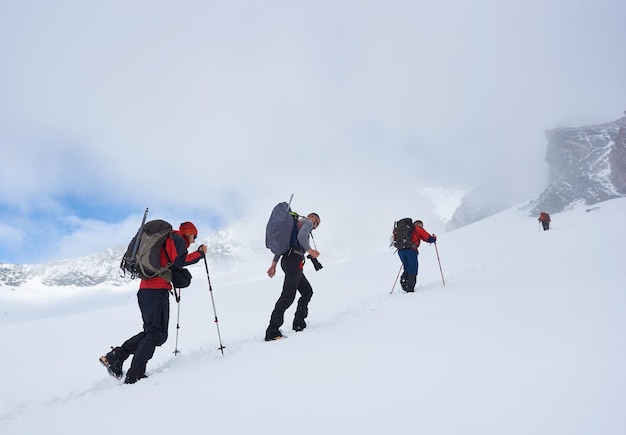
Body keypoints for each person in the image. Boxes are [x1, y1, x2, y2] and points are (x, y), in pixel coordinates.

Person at [100, 221, 208, 384]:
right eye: (194, 236)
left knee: (153, 332)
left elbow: (172, 263)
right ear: (188, 233)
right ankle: (134, 374)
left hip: (147, 291)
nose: (193, 241)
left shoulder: (168, 241)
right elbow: (180, 261)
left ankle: (115, 357)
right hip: (156, 291)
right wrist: (200, 254)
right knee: (156, 334)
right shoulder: (177, 239)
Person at [265, 212, 321, 341]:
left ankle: (299, 323)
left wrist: (273, 265)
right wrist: (310, 250)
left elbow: (282, 246)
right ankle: (272, 332)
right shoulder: (306, 223)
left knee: (307, 291)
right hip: (295, 261)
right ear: (311, 218)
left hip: (288, 261)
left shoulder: (294, 225)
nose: (315, 225)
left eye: (316, 223)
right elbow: (302, 238)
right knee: (287, 297)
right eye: (316, 221)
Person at [397, 220, 436, 292]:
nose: (422, 227)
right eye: (422, 226)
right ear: (419, 224)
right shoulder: (417, 229)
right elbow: (428, 238)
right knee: (412, 268)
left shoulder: (405, 230)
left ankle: (404, 282)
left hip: (401, 251)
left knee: (406, 267)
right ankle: (410, 288)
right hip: (411, 251)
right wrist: (434, 238)